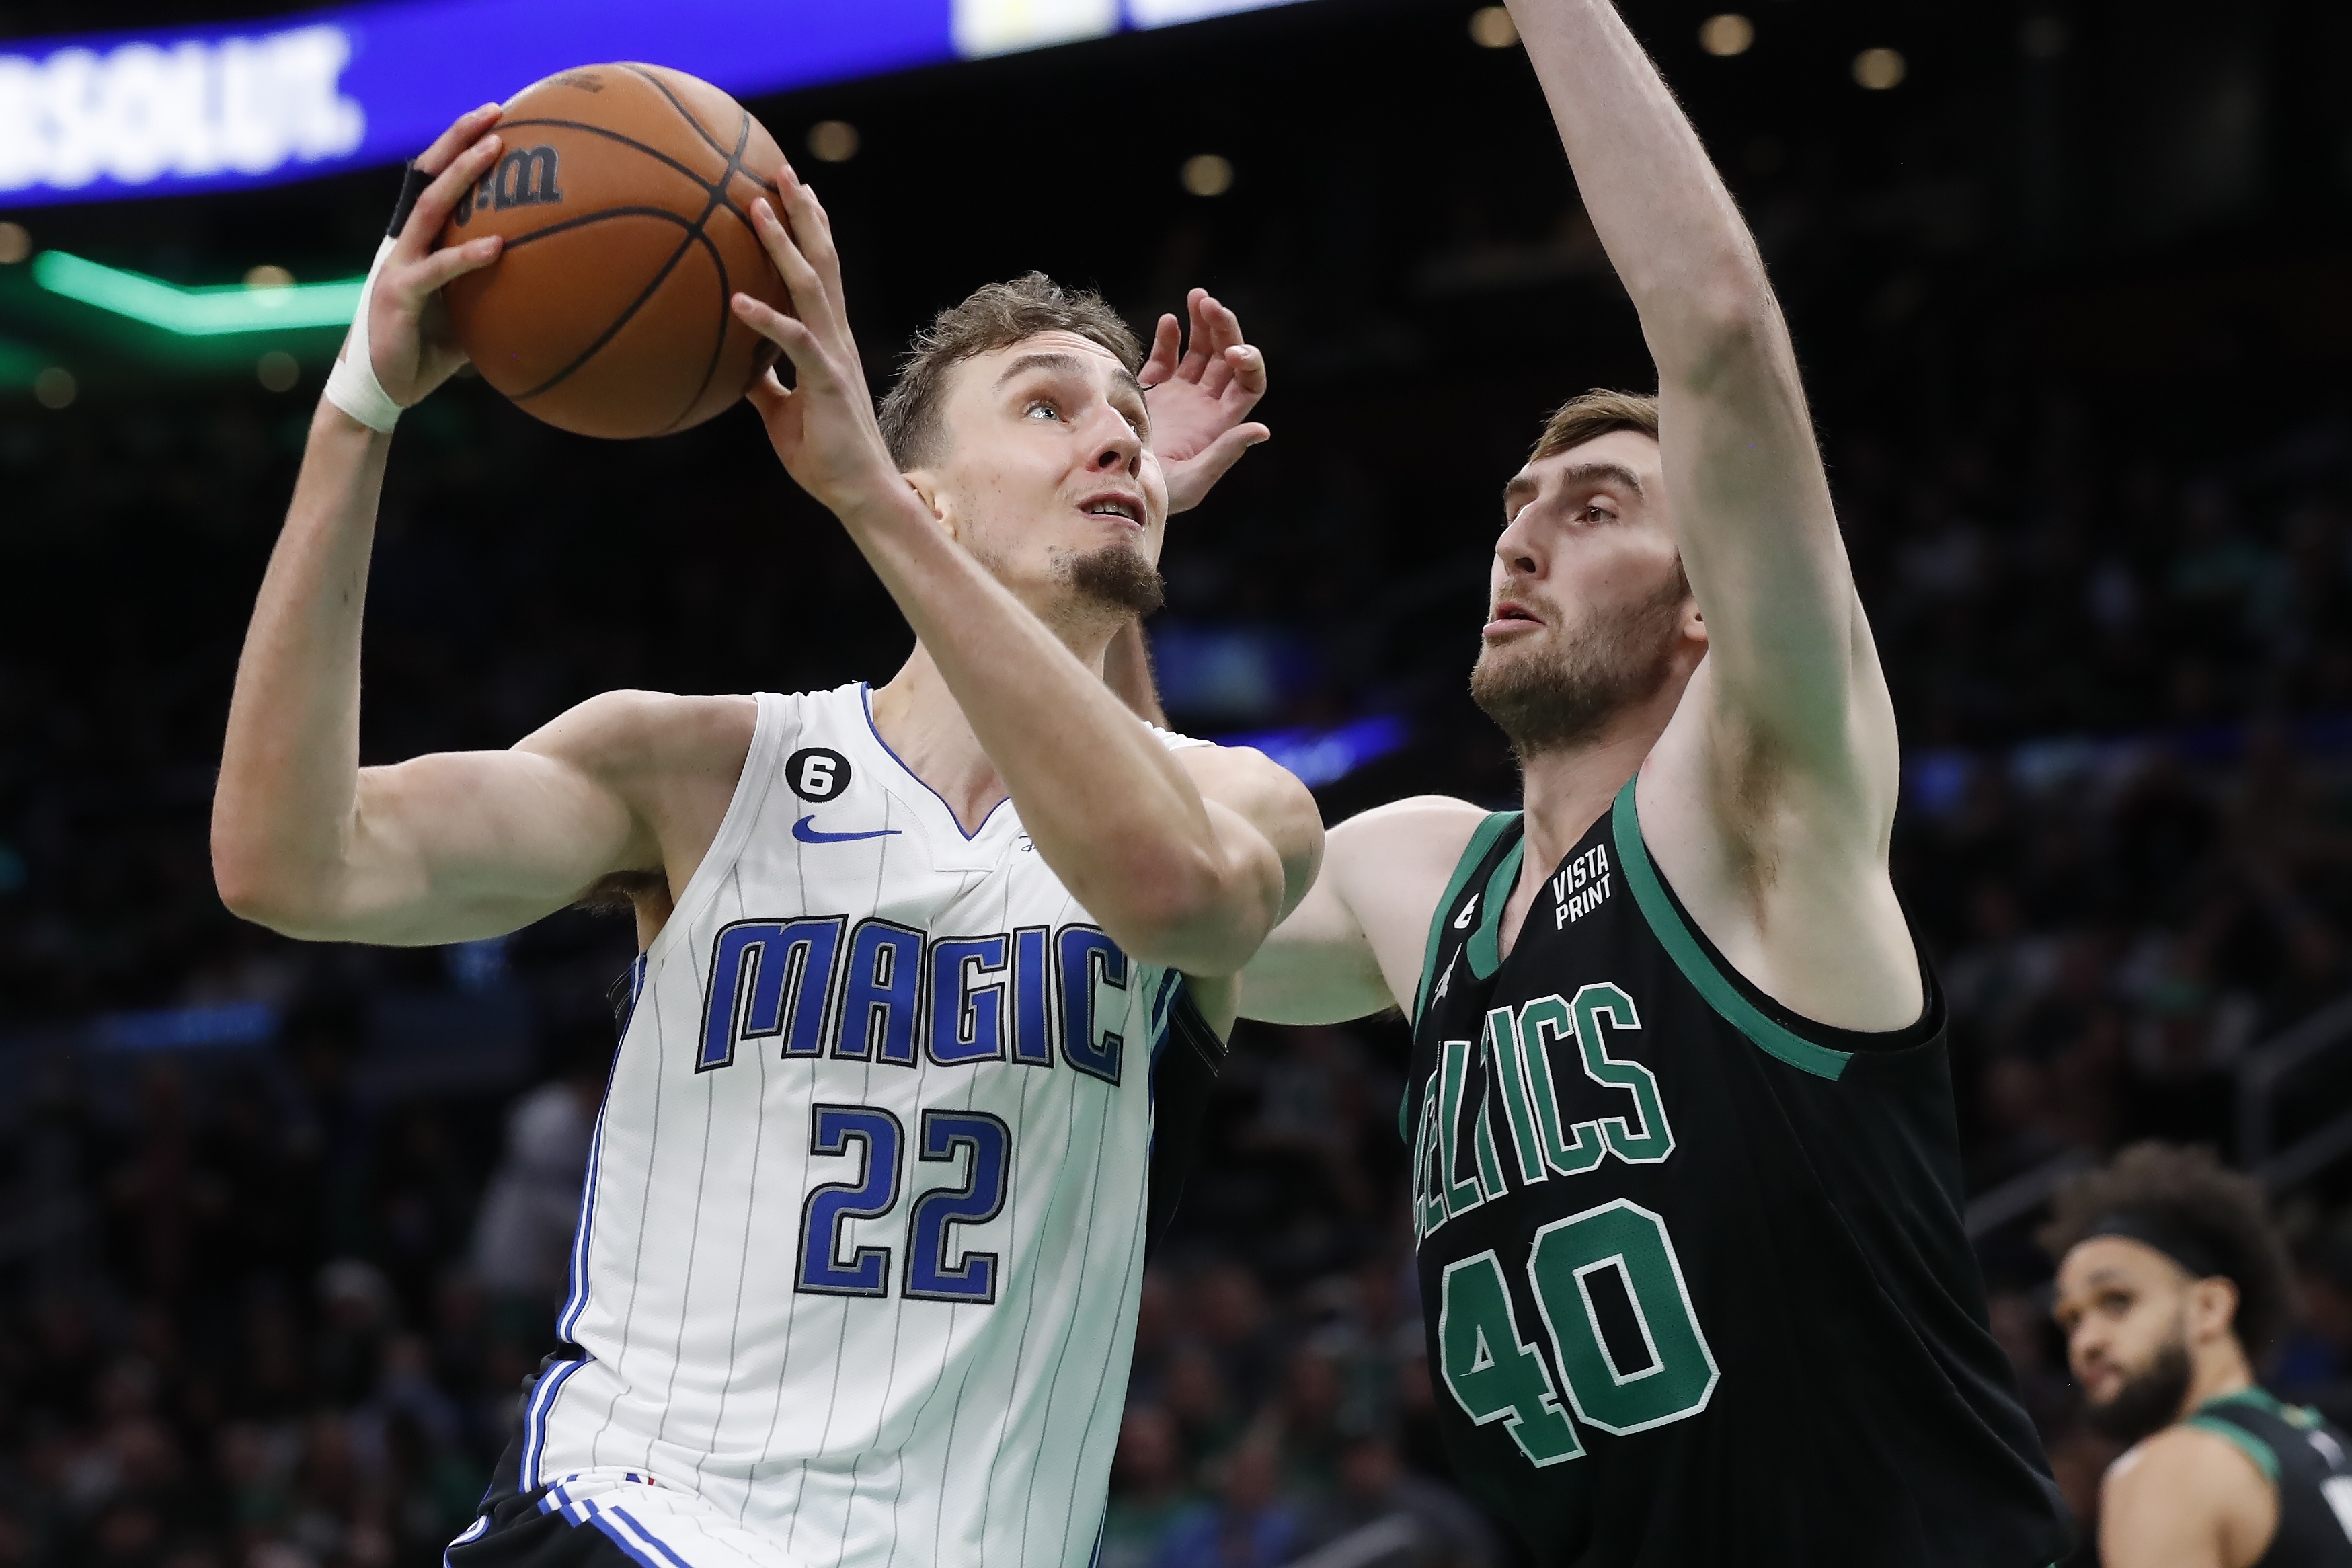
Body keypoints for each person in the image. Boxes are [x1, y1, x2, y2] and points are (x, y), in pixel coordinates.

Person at [209, 107, 1322, 1568]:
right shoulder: (695, 767)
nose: (1112, 430)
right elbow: (290, 862)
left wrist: (1029, 509)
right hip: (637, 1516)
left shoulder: (1238, 804)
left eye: (1125, 422)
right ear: (915, 483)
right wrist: (362, 406)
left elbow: (1165, 877)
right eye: (1048, 407)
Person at [1226, 1, 2067, 1561]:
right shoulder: (1421, 877)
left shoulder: (1758, 798)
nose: (1522, 533)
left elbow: (1720, 334)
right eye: (1515, 504)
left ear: (1706, 606)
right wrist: (1081, 559)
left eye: (1597, 504)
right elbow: (1152, 903)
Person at [2047, 1143, 2352, 1567]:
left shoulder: (2172, 1468)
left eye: (2117, 1301)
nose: (2086, 1342)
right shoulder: (2319, 1442)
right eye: (2071, 1320)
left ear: (2209, 1307)